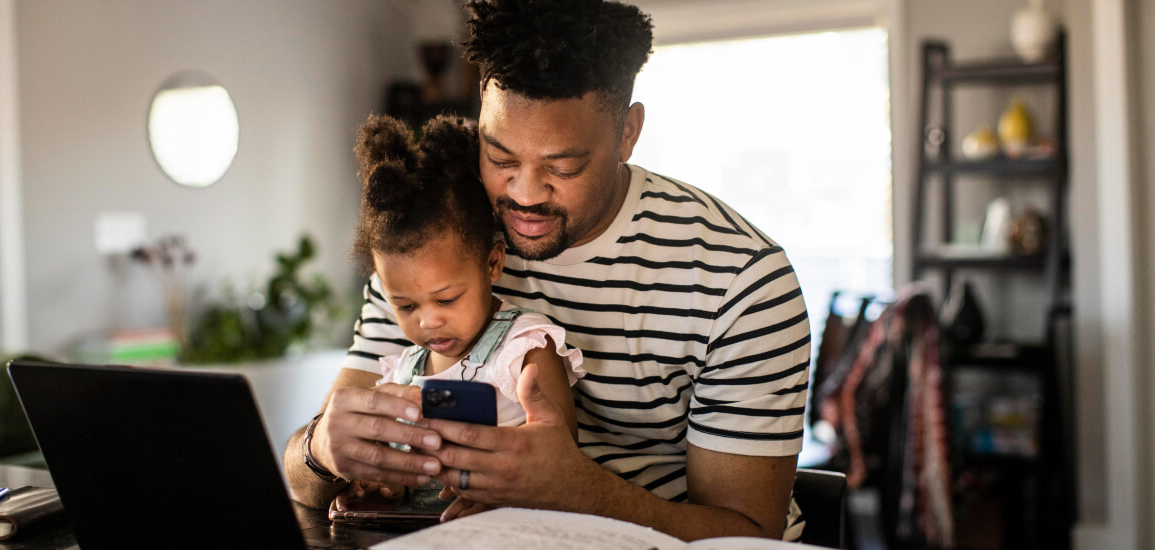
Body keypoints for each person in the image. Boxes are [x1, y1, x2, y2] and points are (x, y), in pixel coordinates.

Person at [284, 0, 811, 541]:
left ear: (628, 132)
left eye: (564, 166)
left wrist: (575, 491)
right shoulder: (436, 239)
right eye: (500, 157)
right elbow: (303, 483)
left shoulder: (740, 282)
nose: (525, 195)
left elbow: (749, 536)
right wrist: (323, 449)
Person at [339, 114, 584, 517]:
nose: (428, 321)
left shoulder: (524, 350)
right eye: (406, 306)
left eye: (447, 300)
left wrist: (506, 494)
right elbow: (399, 468)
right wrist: (379, 484)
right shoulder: (402, 372)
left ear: (492, 263)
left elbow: (561, 465)